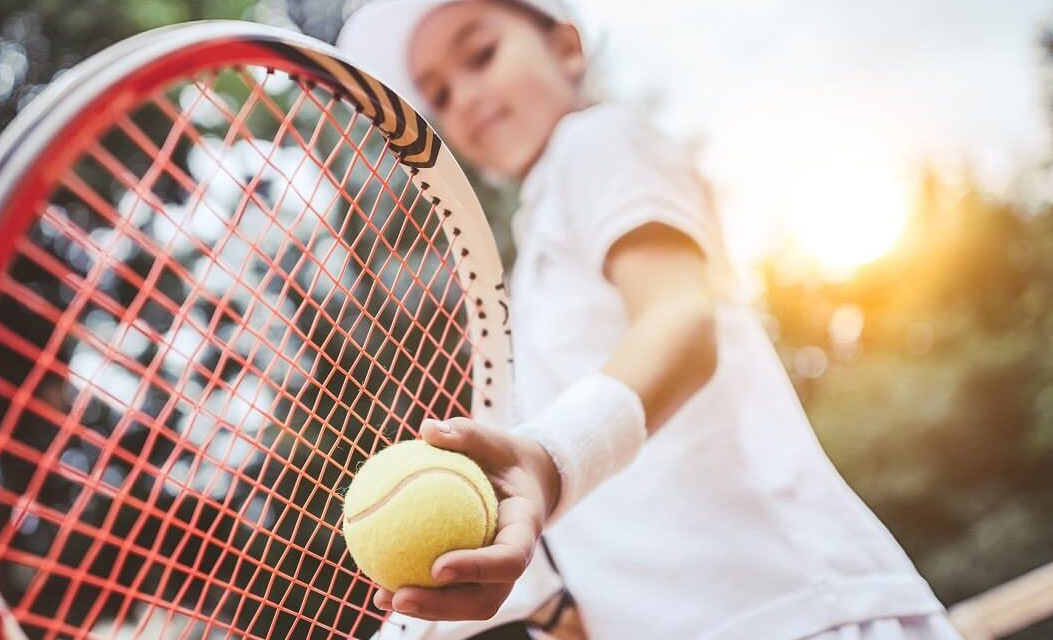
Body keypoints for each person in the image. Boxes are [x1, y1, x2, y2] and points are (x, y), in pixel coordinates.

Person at [337, 1, 963, 638]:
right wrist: (555, 606)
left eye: (480, 55)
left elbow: (682, 318)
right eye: (438, 94)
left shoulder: (598, 142)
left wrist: (550, 462)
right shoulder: (532, 269)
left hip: (792, 610)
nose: (464, 96)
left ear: (568, 49)